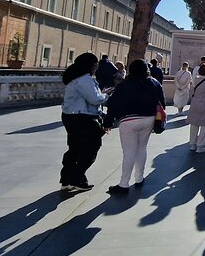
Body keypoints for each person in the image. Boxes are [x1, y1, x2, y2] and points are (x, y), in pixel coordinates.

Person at [104, 59, 165, 195]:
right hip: (149, 119)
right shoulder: (155, 83)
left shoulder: (124, 85)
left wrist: (108, 122)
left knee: (129, 152)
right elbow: (161, 103)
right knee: (142, 148)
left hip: (128, 120)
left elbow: (113, 104)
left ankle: (124, 184)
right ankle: (139, 178)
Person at [60, 52, 112, 192]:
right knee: (92, 146)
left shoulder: (76, 78)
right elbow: (94, 99)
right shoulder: (85, 80)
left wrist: (100, 94)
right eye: (96, 65)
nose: (97, 68)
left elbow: (89, 98)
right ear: (91, 65)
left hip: (71, 116)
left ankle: (66, 179)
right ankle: (77, 177)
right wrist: (105, 94)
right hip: (81, 117)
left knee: (75, 148)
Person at [187, 64, 205, 153]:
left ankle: (192, 144)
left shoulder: (195, 79)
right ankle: (200, 146)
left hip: (195, 103)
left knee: (194, 124)